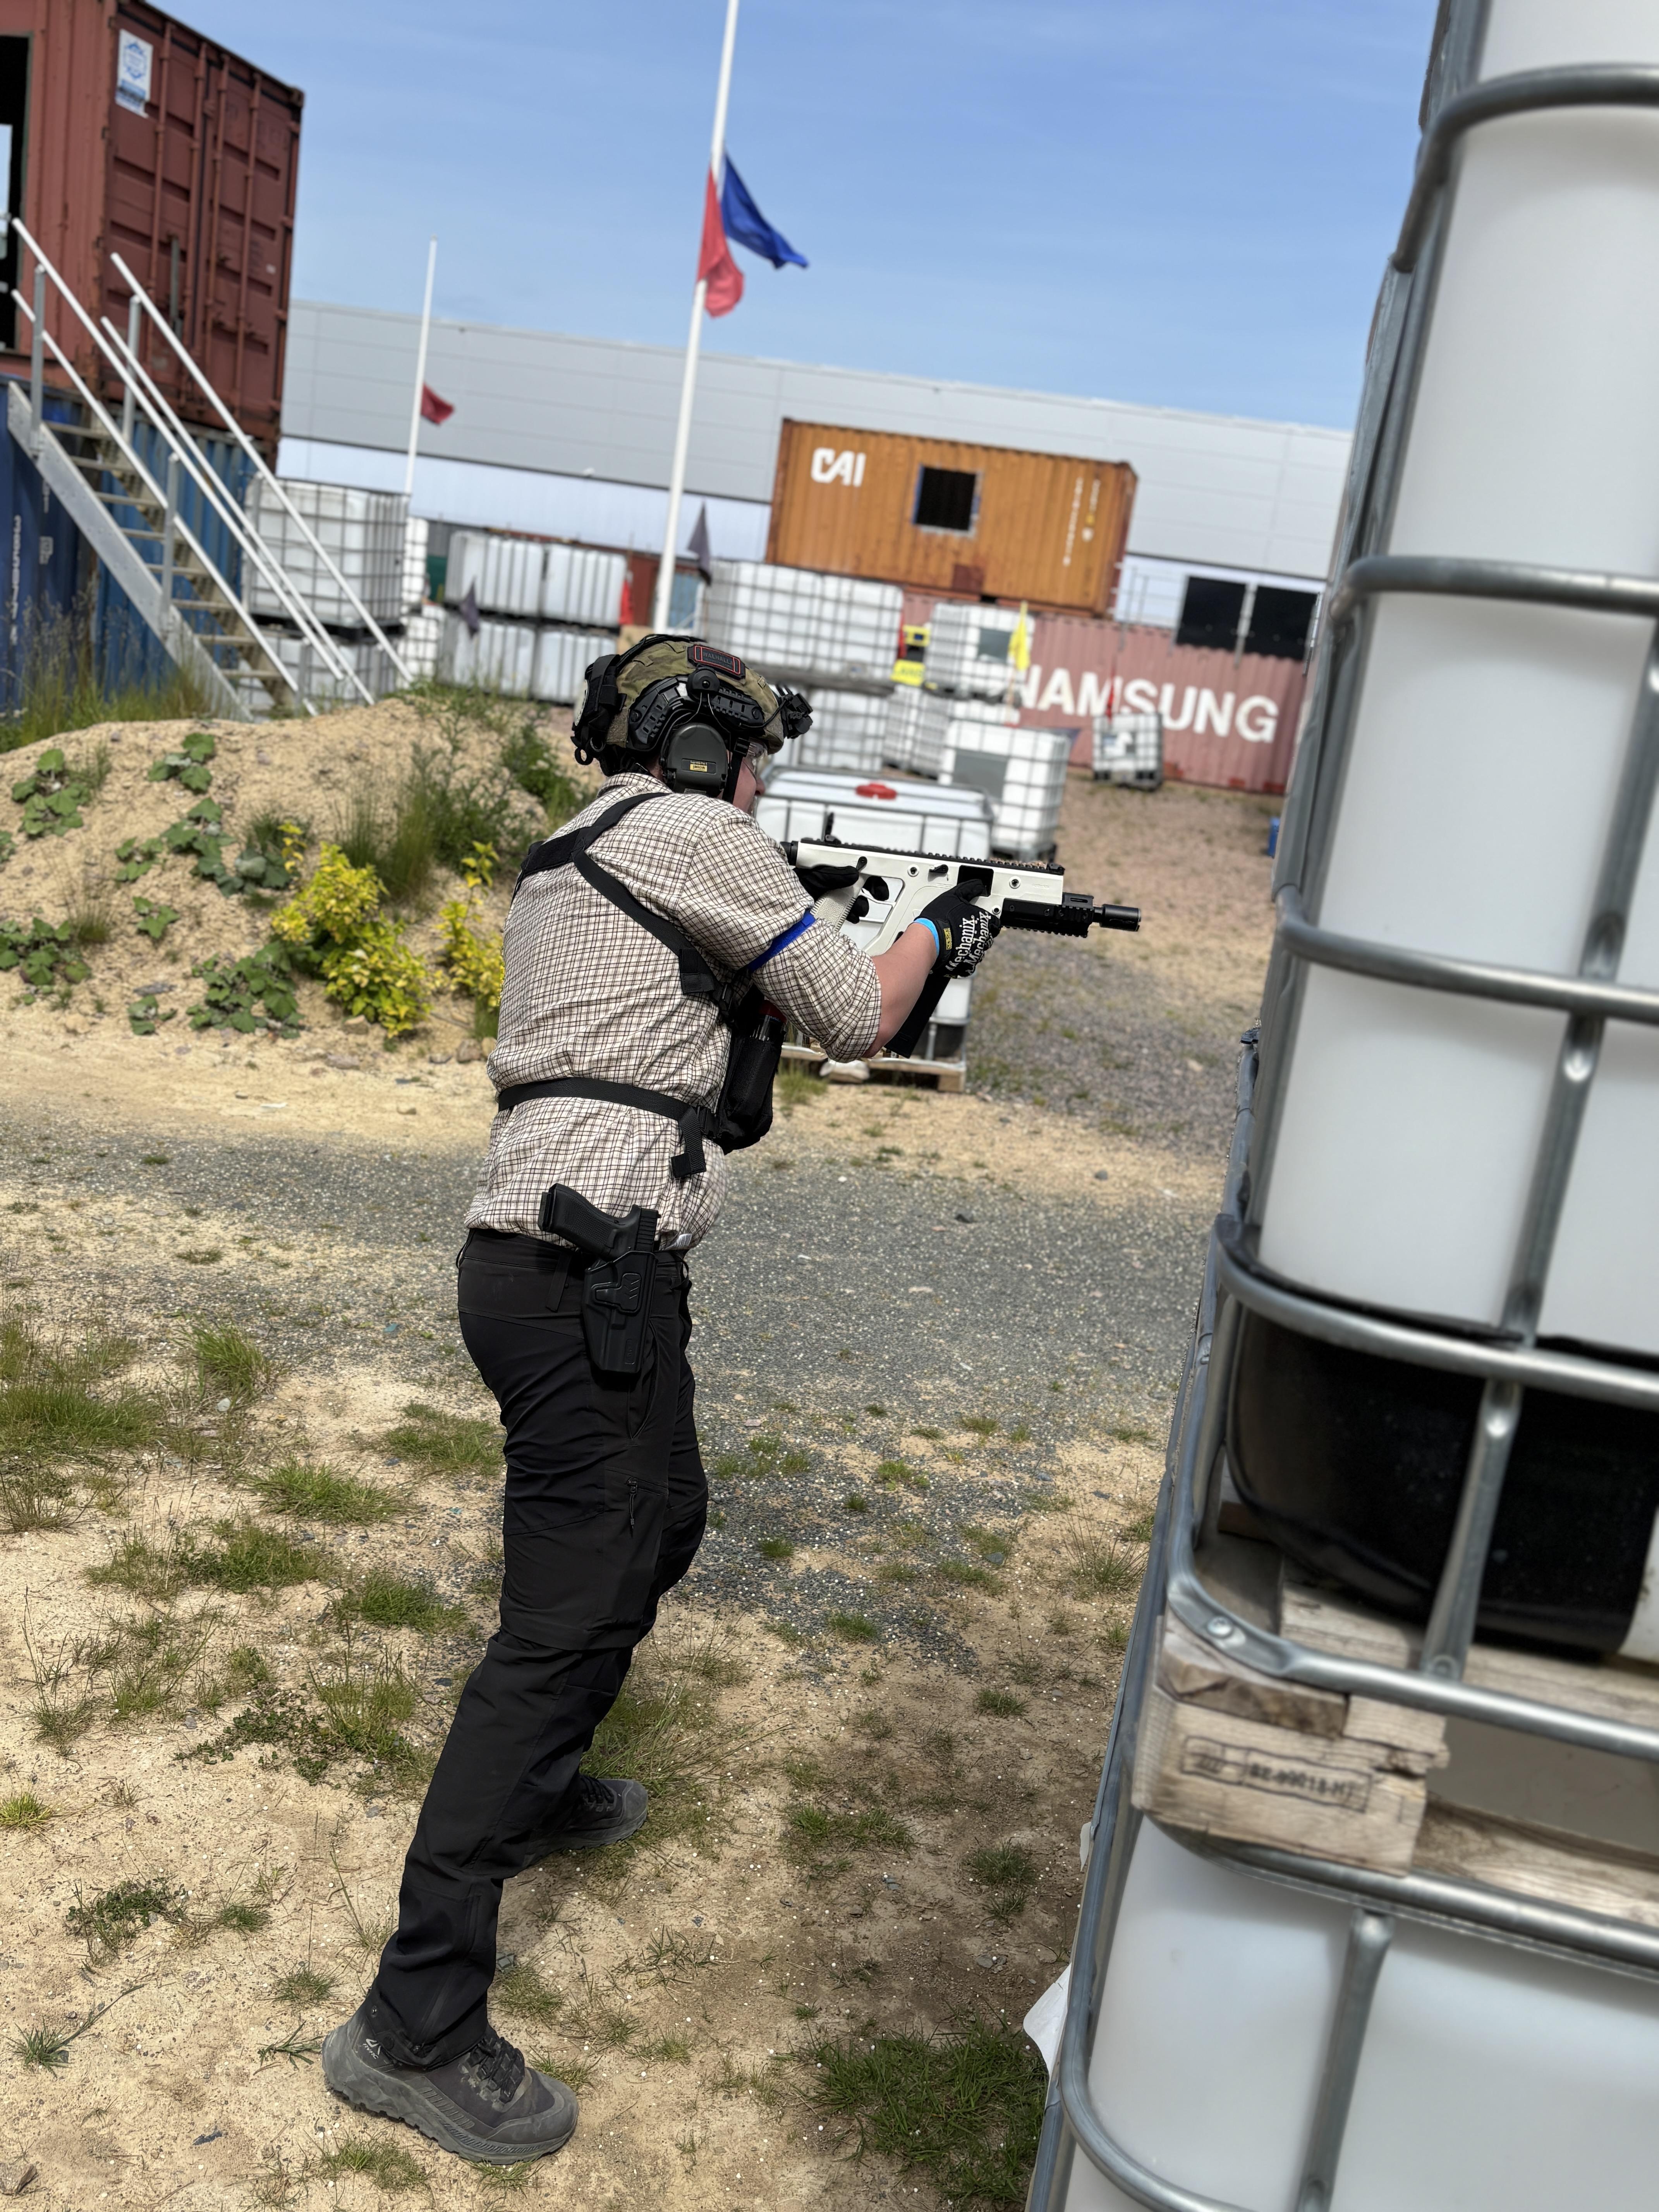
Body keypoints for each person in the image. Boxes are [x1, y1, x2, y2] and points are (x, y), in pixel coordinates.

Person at [322, 634, 1001, 2166]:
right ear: (701, 752)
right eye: (750, 760)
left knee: (665, 1518)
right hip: (585, 1276)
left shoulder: (586, 843)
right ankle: (412, 2023)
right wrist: (945, 927)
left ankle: (537, 1792)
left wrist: (823, 915)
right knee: (554, 1632)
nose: (756, 788)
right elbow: (855, 1016)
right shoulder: (699, 835)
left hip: (564, 1268)